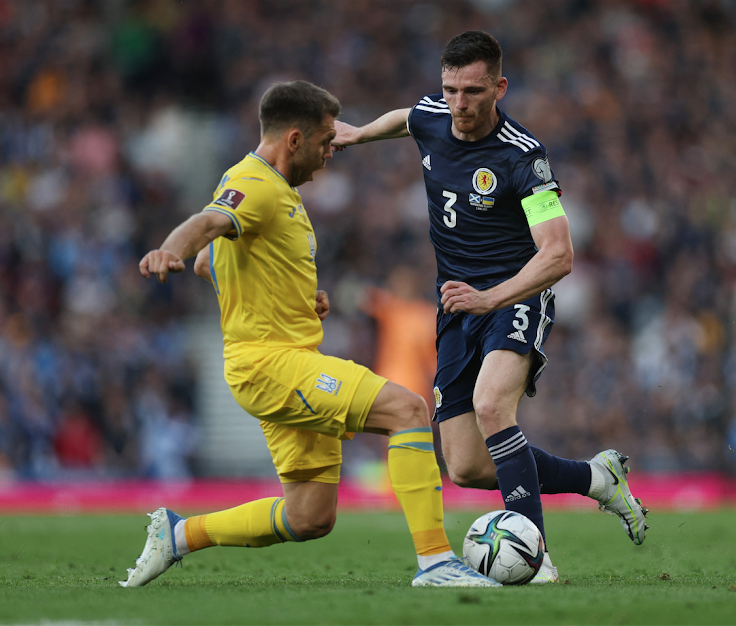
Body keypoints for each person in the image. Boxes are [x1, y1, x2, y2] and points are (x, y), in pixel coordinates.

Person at [121, 80, 498, 589]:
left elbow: (212, 262)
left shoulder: (278, 191)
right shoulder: (253, 183)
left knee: (309, 517)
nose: (329, 156)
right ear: (294, 140)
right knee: (407, 409)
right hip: (272, 365)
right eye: (325, 144)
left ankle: (180, 534)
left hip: (280, 358)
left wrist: (294, 298)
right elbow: (207, 226)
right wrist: (171, 247)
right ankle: (436, 562)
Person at [331, 31, 648, 583]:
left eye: (473, 91)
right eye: (450, 89)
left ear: (500, 87)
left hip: (514, 294)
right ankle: (598, 480)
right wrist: (358, 134)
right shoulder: (433, 114)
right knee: (467, 466)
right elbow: (406, 116)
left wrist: (492, 297)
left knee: (492, 406)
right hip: (457, 306)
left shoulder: (524, 157)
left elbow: (559, 254)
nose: (458, 104)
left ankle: (537, 556)